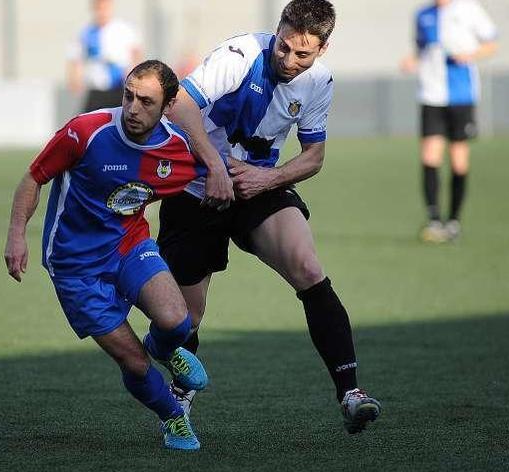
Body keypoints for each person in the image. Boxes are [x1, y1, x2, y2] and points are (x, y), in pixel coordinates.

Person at [159, 0, 382, 434]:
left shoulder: (318, 81)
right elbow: (180, 105)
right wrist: (217, 167)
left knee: (308, 267)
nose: (289, 60)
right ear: (277, 29)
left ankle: (351, 393)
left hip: (258, 185)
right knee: (187, 314)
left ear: (322, 49)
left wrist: (269, 179)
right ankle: (179, 400)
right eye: (283, 48)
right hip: (196, 189)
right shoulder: (240, 56)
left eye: (302, 54)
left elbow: (314, 156)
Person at [4, 60, 218, 451]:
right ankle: (172, 418)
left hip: (128, 244)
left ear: (168, 106)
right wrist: (17, 235)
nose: (134, 108)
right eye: (129, 96)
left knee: (177, 320)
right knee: (135, 363)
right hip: (74, 266)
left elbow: (211, 172)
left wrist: (226, 171)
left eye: (147, 102)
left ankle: (164, 349)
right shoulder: (85, 131)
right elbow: (34, 177)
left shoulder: (176, 148)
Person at [399, 0, 498, 243]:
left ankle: (454, 220)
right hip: (431, 95)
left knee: (458, 158)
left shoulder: (469, 9)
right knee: (429, 156)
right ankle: (434, 219)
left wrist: (471, 54)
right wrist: (413, 61)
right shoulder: (423, 14)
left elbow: (492, 44)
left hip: (460, 96)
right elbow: (423, 50)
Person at [66, 0, 143, 112]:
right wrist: (76, 79)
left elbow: (136, 54)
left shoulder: (124, 29)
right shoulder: (86, 32)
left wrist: (135, 76)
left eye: (105, 7)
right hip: (97, 90)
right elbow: (76, 59)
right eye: (99, 8)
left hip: (120, 88)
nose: (102, 12)